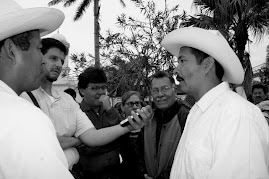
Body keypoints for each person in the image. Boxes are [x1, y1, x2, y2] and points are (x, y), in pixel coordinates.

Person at [21, 37, 151, 175]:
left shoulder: (67, 101)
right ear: (38, 57)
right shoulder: (22, 97)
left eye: (61, 60)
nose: (59, 64)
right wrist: (78, 141)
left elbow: (92, 137)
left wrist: (129, 126)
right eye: (53, 58)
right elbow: (41, 143)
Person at [161, 27, 269, 178]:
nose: (176, 70)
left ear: (207, 65)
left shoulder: (237, 116)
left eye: (182, 61)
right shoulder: (197, 112)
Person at [0, 0, 75, 178]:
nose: (42, 59)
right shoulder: (23, 118)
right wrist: (73, 154)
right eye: (39, 48)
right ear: (11, 50)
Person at [136, 71, 190, 179]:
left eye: (165, 88)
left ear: (174, 89)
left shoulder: (186, 117)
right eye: (155, 90)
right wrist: (143, 173)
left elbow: (188, 158)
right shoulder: (149, 118)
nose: (160, 94)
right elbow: (138, 151)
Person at [77, 67, 125, 179]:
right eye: (94, 88)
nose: (100, 92)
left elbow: (121, 133)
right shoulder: (77, 112)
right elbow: (85, 147)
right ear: (82, 90)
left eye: (103, 87)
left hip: (114, 173)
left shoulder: (109, 110)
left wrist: (109, 109)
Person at [119, 91, 144, 179]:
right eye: (130, 104)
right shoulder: (118, 129)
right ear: (122, 107)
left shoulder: (149, 127)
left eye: (137, 103)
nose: (134, 107)